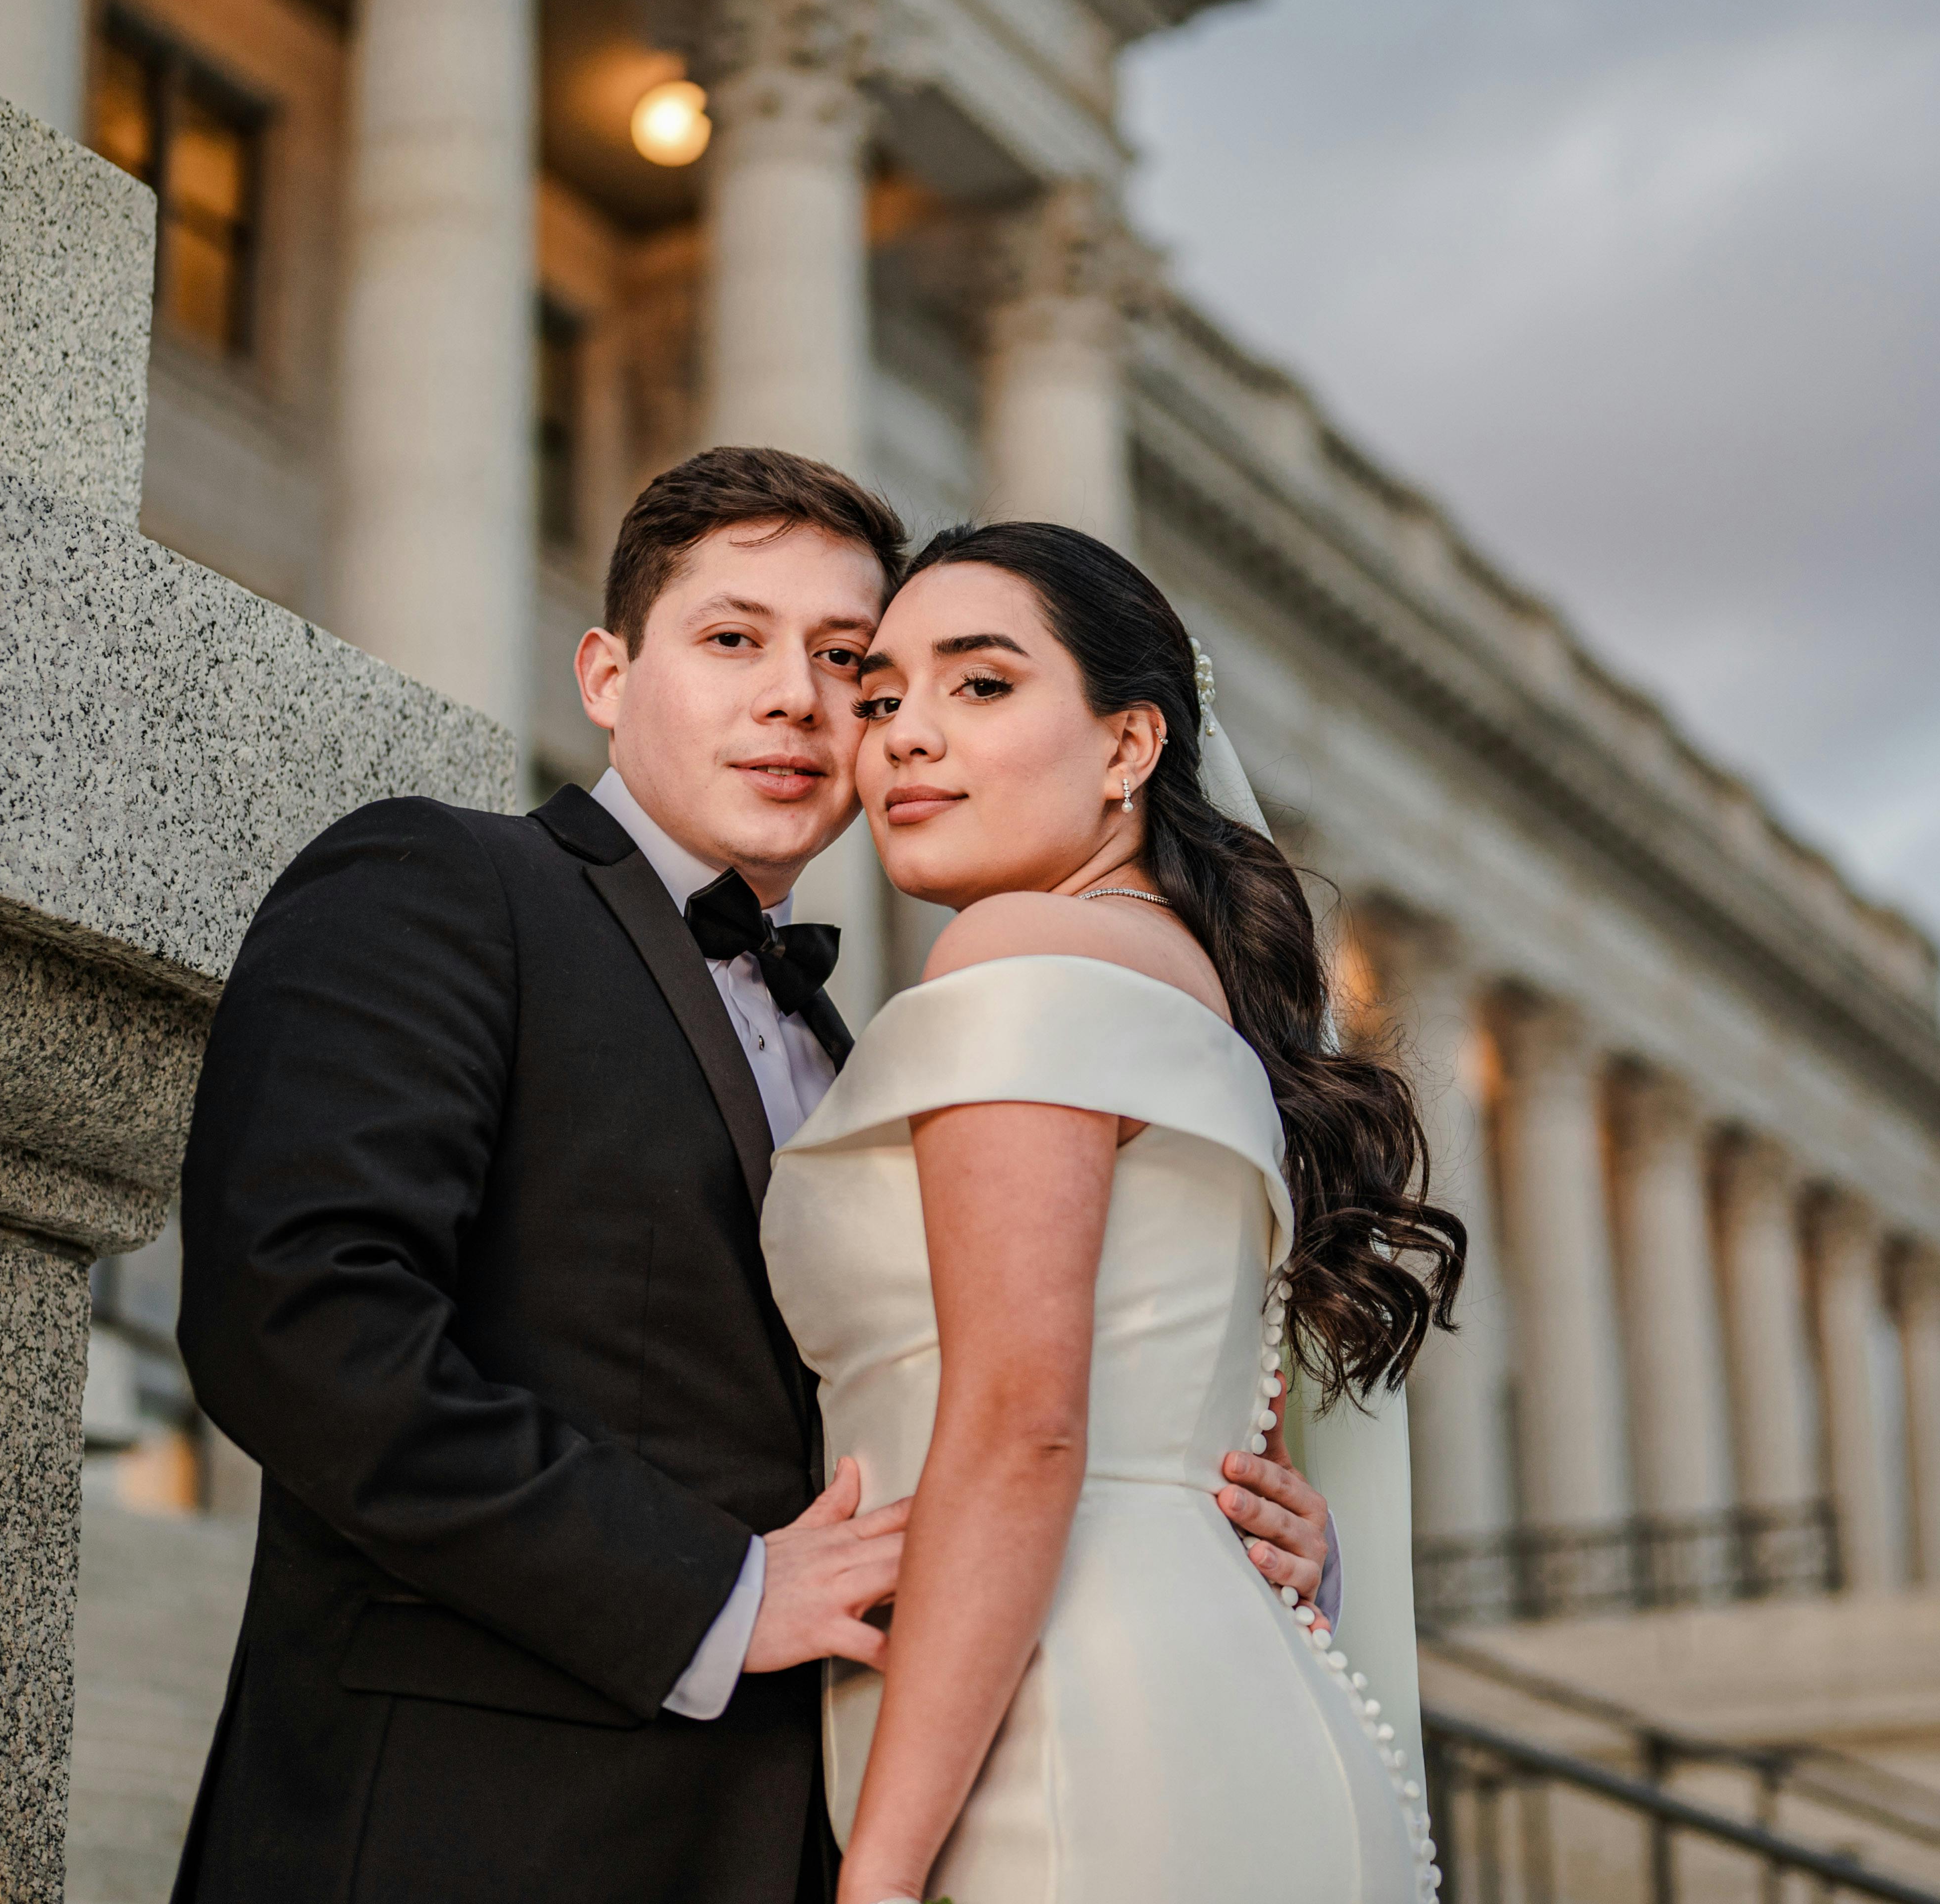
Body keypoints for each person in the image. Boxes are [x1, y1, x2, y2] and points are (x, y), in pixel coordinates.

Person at [168, 451, 1340, 1903]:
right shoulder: (439, 883)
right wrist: (716, 1589)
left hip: (794, 1827)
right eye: (733, 640)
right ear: (605, 674)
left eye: (848, 662)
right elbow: (296, 1327)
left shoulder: (880, 1046)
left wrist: (1209, 1514)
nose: (798, 697)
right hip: (474, 1821)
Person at [762, 520, 1469, 1904]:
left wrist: (881, 1877)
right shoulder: (1187, 984)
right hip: (1233, 1699)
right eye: (885, 695)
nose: (905, 736)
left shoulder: (1017, 953)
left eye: (982, 685)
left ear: (1130, 746)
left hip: (1072, 1734)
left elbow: (1023, 1426)